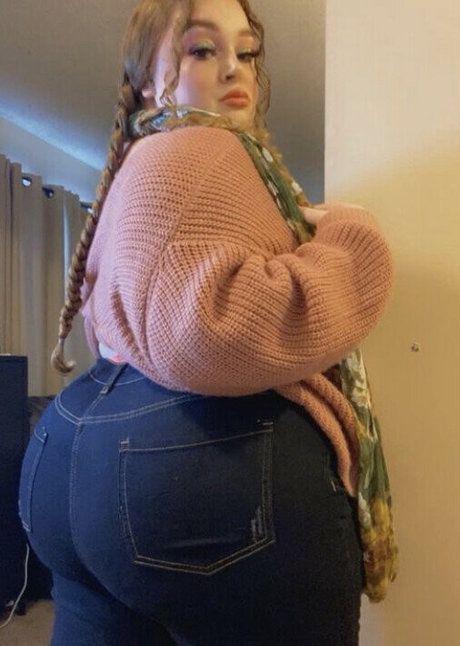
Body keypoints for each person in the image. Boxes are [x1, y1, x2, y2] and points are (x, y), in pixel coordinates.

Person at [18, 0, 395, 644]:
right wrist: (350, 237)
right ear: (147, 80)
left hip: (71, 454)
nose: (232, 68)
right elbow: (207, 334)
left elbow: (128, 329)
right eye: (201, 49)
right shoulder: (205, 147)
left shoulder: (139, 164)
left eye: (245, 51)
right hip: (194, 469)